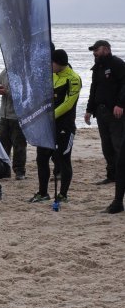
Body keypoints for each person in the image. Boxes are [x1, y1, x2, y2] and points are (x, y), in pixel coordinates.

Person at [29, 49, 82, 204]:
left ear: (59, 63)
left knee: (63, 159)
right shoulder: (51, 76)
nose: (49, 65)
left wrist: (51, 116)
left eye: (51, 62)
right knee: (41, 159)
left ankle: (63, 194)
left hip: (64, 126)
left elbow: (68, 104)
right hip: (47, 126)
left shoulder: (73, 78)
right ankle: (42, 193)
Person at [84, 40, 125, 186]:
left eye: (97, 50)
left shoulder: (117, 64)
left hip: (116, 112)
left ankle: (121, 175)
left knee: (118, 144)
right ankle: (112, 175)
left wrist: (120, 104)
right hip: (100, 111)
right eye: (93, 50)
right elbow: (93, 88)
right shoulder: (98, 67)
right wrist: (89, 109)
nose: (94, 53)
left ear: (106, 49)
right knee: (106, 145)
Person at [0, 68, 28, 180]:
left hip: (18, 116)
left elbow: (25, 95)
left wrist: (7, 92)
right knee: (3, 145)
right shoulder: (5, 71)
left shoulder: (24, 73)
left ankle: (20, 171)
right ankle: (5, 170)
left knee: (19, 145)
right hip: (4, 115)